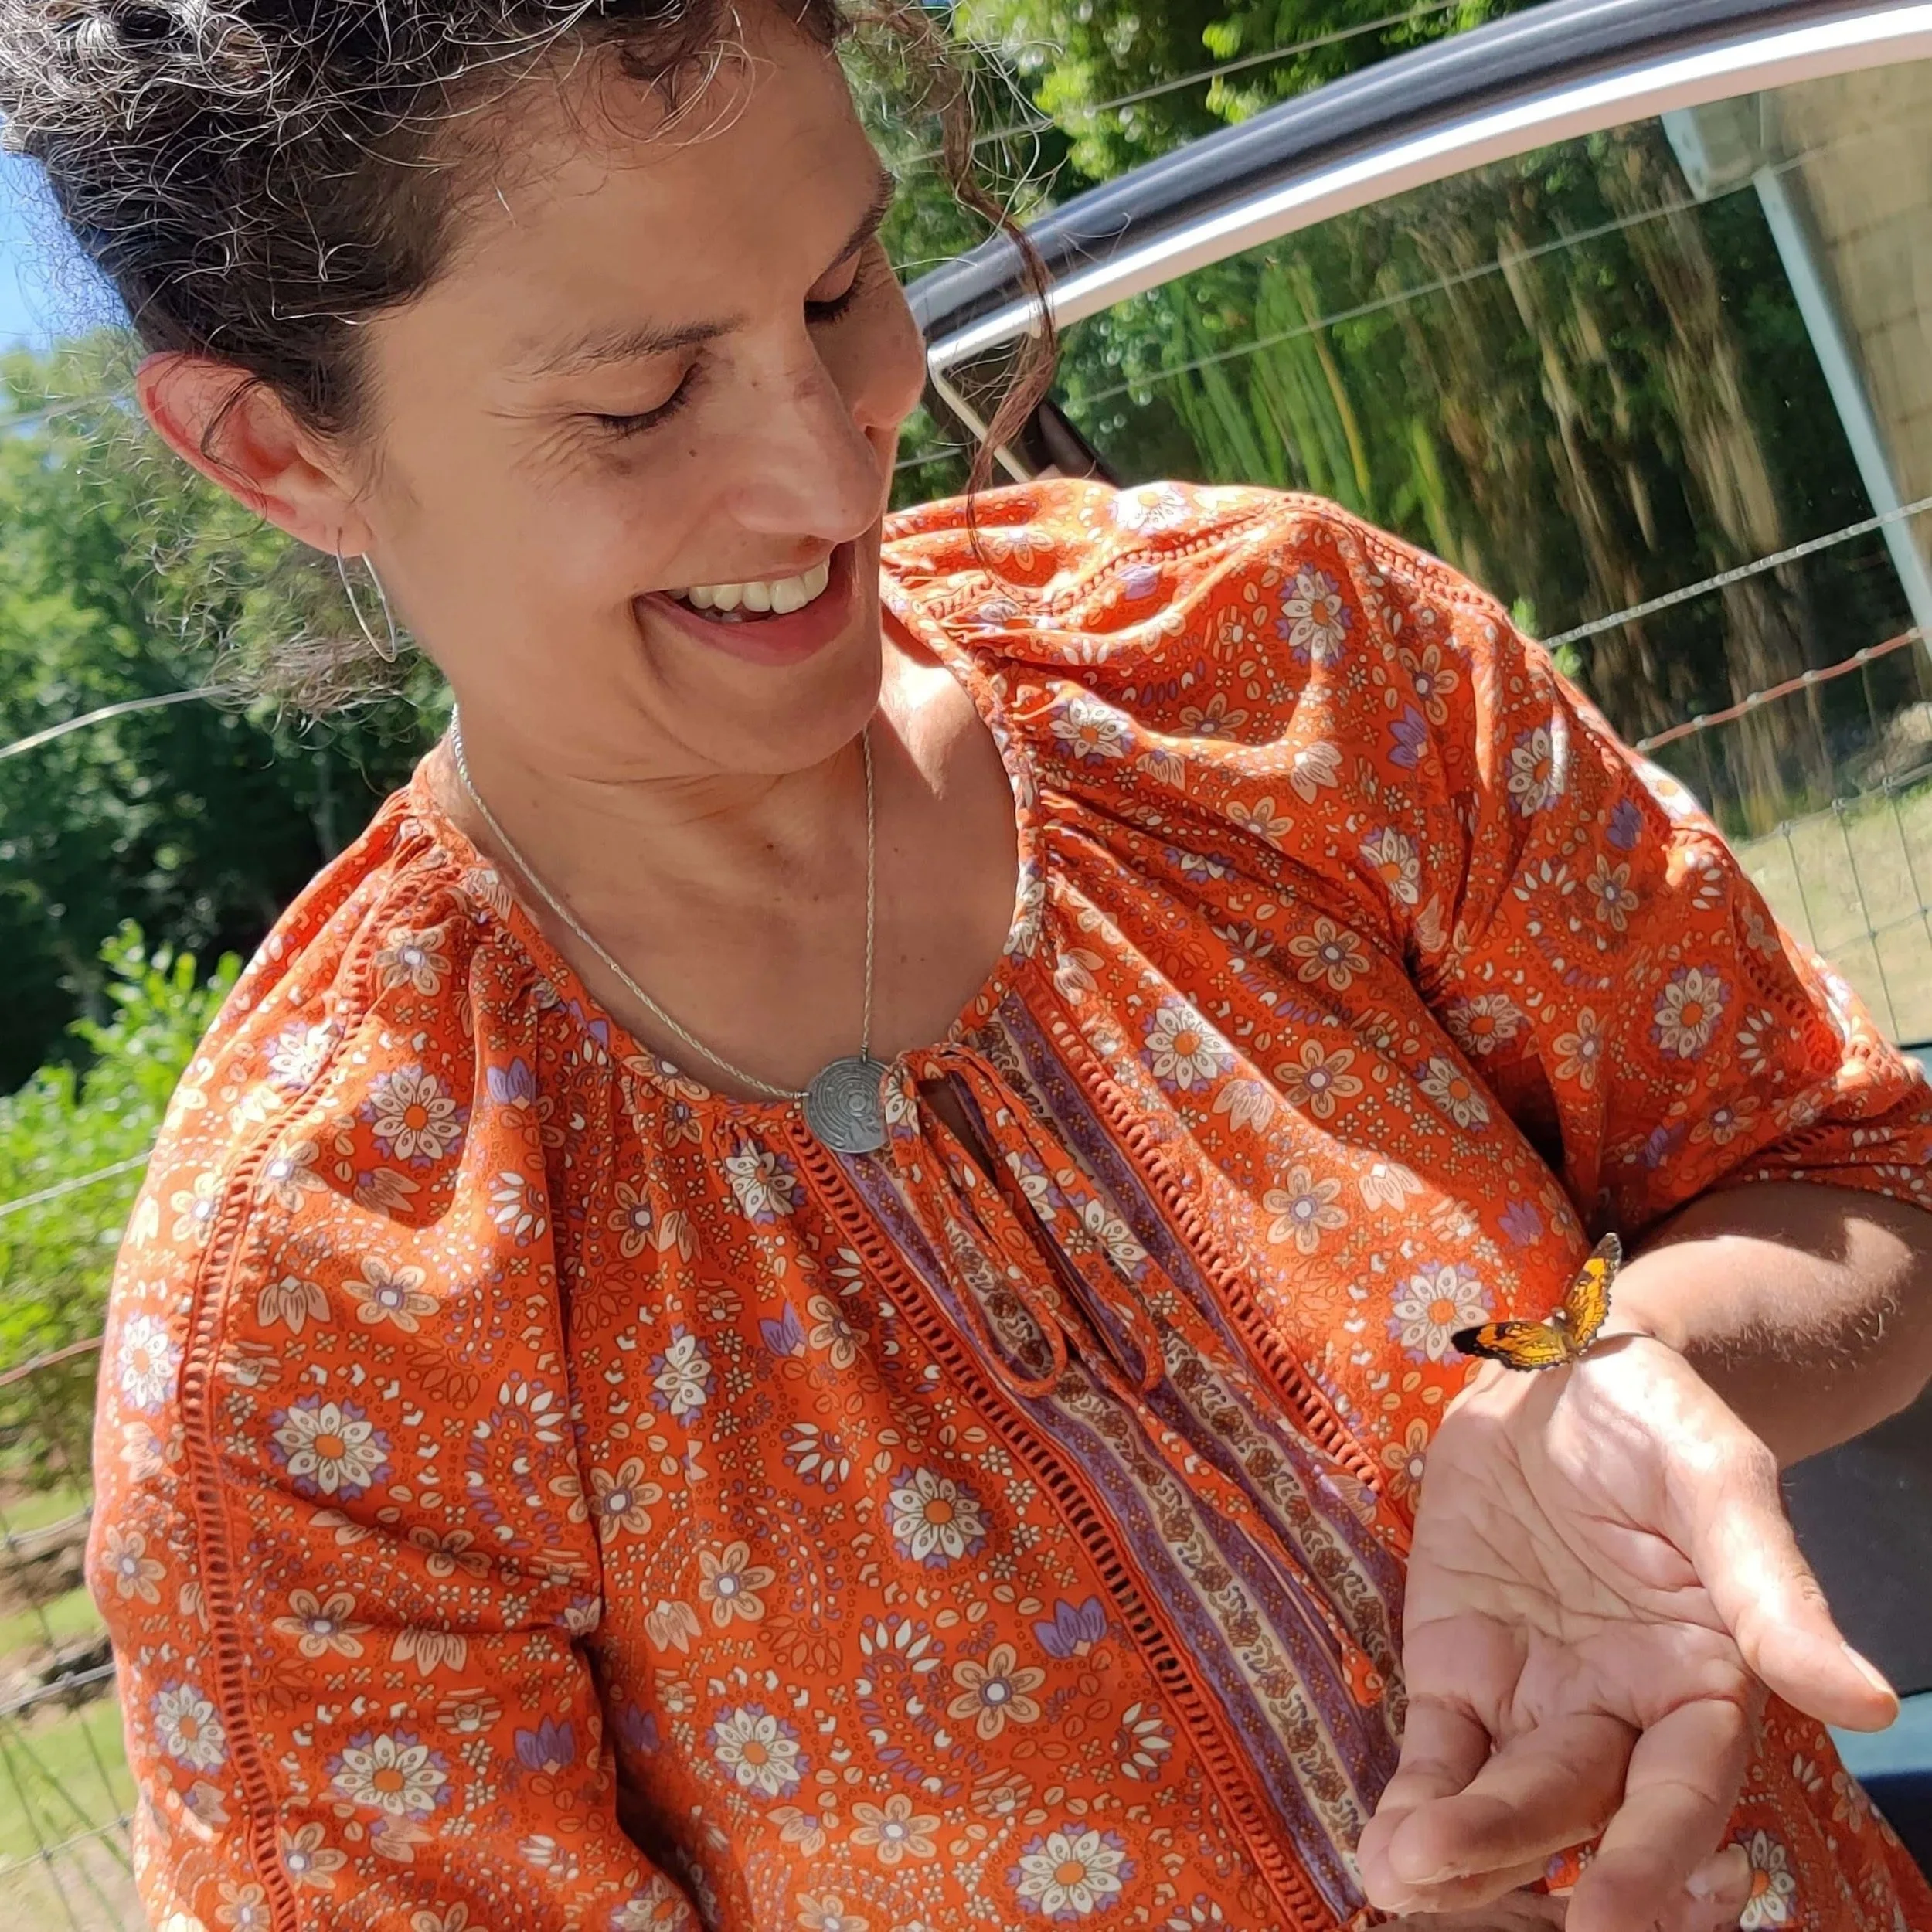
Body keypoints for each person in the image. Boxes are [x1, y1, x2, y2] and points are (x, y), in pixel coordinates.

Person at [5, 1, 1930, 1927]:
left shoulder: (1276, 671)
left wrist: (1627, 1371)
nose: (837, 480)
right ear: (273, 446)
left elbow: (1854, 1174)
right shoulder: (322, 1310)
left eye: (844, 290)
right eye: (642, 399)